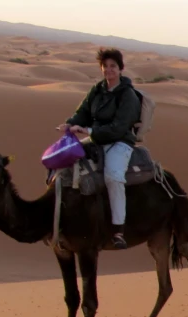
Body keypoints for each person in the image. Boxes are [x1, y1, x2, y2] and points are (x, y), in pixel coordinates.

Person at [58, 48, 141, 249]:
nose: (109, 70)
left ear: (120, 68)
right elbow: (83, 112)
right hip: (95, 139)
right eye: (105, 66)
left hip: (119, 142)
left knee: (113, 176)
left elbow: (118, 128)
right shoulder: (97, 89)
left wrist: (87, 130)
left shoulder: (128, 95)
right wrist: (70, 124)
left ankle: (119, 229)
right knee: (62, 161)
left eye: (113, 66)